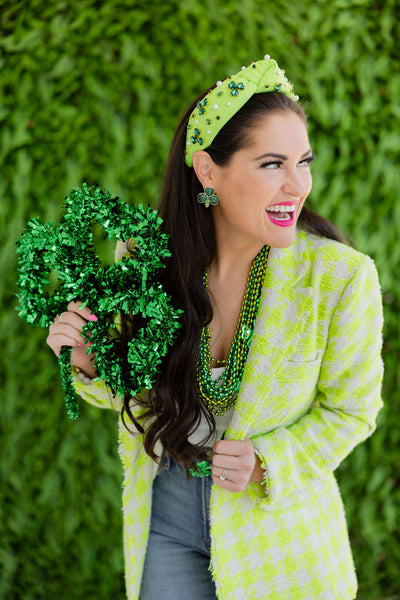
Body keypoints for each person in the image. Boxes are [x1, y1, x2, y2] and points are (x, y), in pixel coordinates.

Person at [47, 56, 384, 600]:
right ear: (207, 172)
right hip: (169, 512)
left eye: (305, 161)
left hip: (280, 529)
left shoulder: (341, 278)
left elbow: (352, 412)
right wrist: (90, 360)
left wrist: (267, 463)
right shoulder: (147, 259)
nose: (299, 185)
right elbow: (143, 396)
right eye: (273, 164)